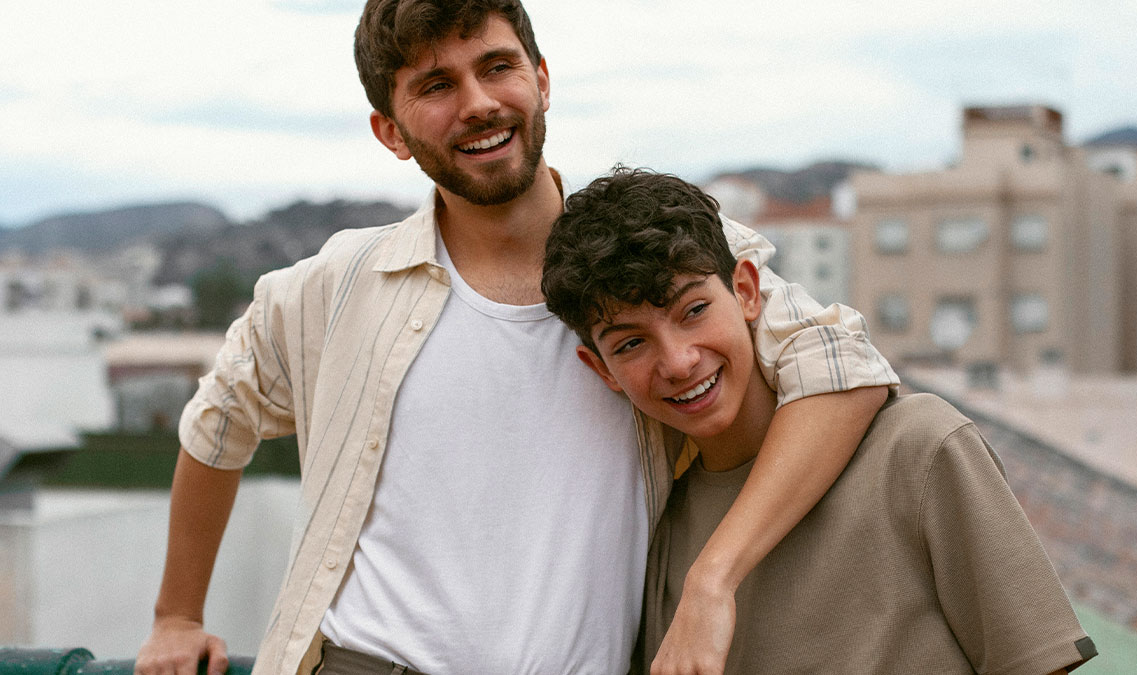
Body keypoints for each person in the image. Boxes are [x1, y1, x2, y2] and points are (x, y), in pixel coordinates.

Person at [134, 2, 898, 674]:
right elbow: (218, 418)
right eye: (436, 86)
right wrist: (175, 614)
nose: (477, 103)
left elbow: (844, 364)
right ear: (390, 131)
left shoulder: (670, 250)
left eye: (496, 67)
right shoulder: (338, 283)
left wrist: (714, 579)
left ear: (540, 77)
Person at [541, 166, 1098, 675]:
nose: (679, 361)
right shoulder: (660, 532)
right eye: (632, 342)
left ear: (747, 291)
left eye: (693, 311)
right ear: (603, 370)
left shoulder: (918, 448)